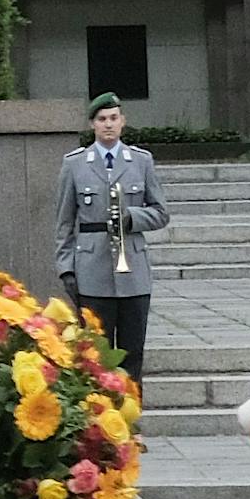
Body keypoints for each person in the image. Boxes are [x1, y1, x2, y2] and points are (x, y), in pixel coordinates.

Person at [54, 91, 171, 385]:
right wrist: (66, 267)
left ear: (123, 122)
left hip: (133, 270)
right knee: (95, 356)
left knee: (132, 354)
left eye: (114, 118)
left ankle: (131, 421)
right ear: (92, 124)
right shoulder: (76, 164)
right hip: (92, 269)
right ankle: (100, 424)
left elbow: (160, 212)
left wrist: (132, 217)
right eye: (102, 119)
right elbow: (64, 222)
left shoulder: (141, 161)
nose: (108, 124)